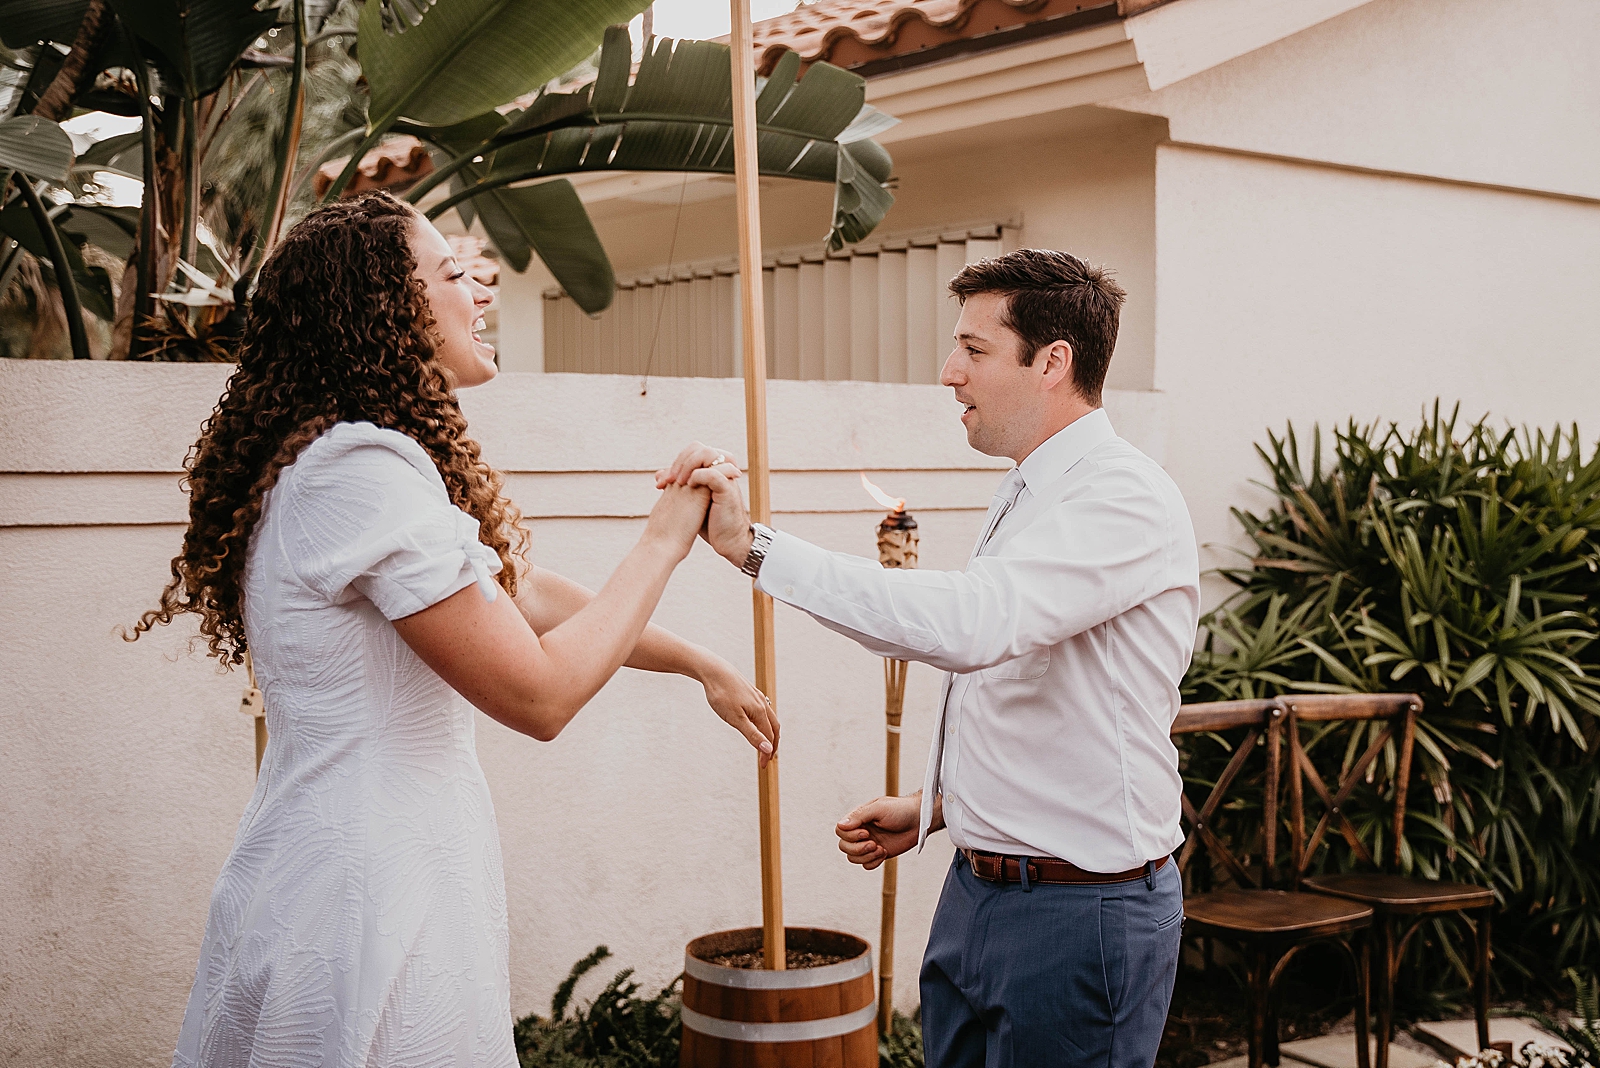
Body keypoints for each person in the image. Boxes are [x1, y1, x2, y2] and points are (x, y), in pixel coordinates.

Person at [127, 191, 777, 1068]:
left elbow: (519, 592)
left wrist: (695, 661)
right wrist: (666, 539)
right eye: (452, 274)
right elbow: (539, 695)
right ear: (384, 309)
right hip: (368, 890)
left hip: (360, 861)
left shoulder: (334, 458)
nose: (479, 290)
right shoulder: (360, 469)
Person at [662, 248, 1200, 1068]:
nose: (950, 372)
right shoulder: (1028, 488)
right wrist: (943, 804)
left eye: (975, 350)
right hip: (978, 895)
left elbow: (974, 625)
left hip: (1080, 914)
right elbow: (1045, 693)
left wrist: (753, 547)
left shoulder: (1123, 497)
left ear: (1053, 362)